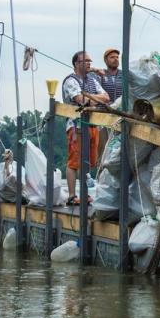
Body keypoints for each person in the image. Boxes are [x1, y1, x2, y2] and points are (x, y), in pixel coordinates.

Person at [63, 51, 109, 204]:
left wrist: (90, 98)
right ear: (76, 64)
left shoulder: (92, 80)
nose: (89, 63)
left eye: (90, 61)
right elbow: (81, 100)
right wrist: (93, 99)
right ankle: (71, 195)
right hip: (76, 126)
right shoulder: (71, 81)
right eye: (85, 61)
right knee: (74, 161)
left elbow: (106, 98)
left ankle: (84, 194)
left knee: (88, 161)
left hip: (92, 124)